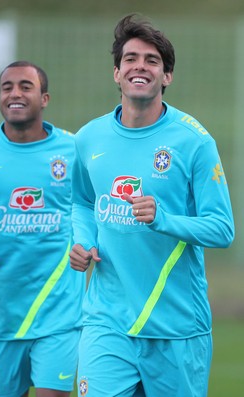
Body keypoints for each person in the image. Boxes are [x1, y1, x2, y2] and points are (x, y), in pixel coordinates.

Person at [69, 14, 234, 397]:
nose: (139, 66)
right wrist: (81, 240)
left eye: (151, 60)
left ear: (167, 77)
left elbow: (222, 229)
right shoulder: (88, 138)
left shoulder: (194, 142)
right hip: (107, 321)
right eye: (130, 58)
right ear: (116, 72)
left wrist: (164, 219)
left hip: (176, 327)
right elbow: (81, 201)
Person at [0, 61, 85, 397]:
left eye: (25, 86)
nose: (15, 93)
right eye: (7, 87)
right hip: (1, 312)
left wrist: (88, 244)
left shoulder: (74, 151)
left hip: (60, 310)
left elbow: (90, 208)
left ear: (45, 98)